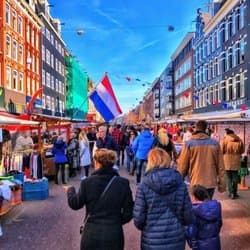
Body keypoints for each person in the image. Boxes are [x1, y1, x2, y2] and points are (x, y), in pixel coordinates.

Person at [66, 148, 134, 250]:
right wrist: (116, 221)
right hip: (114, 233)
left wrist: (70, 190)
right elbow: (129, 212)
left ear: (97, 163)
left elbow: (75, 204)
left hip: (91, 233)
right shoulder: (123, 183)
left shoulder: (87, 182)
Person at [133, 148, 193, 250]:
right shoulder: (179, 182)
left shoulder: (144, 184)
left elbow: (138, 219)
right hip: (176, 237)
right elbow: (188, 215)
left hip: (151, 239)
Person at [178, 120, 226, 199]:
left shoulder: (189, 144)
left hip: (195, 181)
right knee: (208, 204)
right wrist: (222, 184)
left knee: (197, 205)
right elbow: (221, 166)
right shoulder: (215, 144)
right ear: (206, 129)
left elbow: (182, 166)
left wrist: (179, 181)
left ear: (195, 129)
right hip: (210, 181)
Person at [186, 185, 222, 250]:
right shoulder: (216, 207)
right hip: (215, 244)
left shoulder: (193, 211)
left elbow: (192, 233)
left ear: (194, 197)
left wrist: (193, 245)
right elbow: (219, 224)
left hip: (200, 245)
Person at [222, 128, 244, 199]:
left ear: (227, 134)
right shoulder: (239, 140)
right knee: (235, 177)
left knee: (228, 177)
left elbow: (222, 150)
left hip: (227, 160)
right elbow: (242, 151)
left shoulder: (225, 139)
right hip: (236, 160)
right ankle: (235, 192)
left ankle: (231, 192)